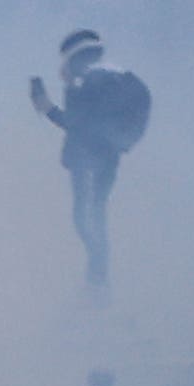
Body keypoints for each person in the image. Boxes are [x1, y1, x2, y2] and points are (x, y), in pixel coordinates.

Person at [29, 30, 151, 299]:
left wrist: (45, 106)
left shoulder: (87, 80)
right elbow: (83, 124)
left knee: (87, 218)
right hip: (106, 158)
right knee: (94, 215)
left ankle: (97, 283)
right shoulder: (113, 75)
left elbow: (76, 124)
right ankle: (97, 280)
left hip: (88, 161)